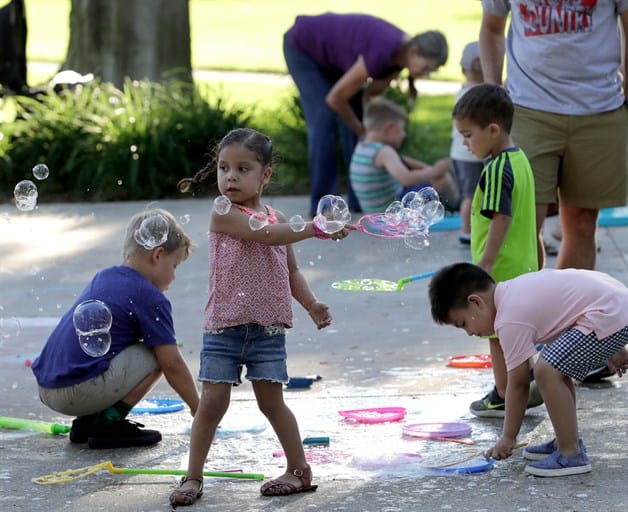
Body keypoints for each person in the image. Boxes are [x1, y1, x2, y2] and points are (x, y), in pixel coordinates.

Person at [169, 128, 351, 507]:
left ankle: (299, 471)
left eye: (242, 168)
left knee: (272, 403)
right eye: (223, 168)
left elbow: (291, 271)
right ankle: (193, 476)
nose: (230, 176)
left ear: (265, 174)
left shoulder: (276, 216)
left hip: (267, 329)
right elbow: (267, 236)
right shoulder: (224, 212)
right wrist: (317, 228)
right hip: (224, 327)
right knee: (212, 405)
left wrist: (312, 305)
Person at [428, 262, 628, 476]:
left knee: (547, 370)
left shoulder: (509, 319)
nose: (468, 332)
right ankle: (566, 441)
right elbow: (572, 307)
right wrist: (613, 347)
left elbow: (519, 383)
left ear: (476, 302)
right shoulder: (512, 292)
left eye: (463, 323)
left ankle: (571, 453)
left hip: (608, 312)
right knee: (556, 368)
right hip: (614, 305)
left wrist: (508, 438)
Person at [31, 209, 200, 449]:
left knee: (118, 344)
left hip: (48, 388)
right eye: (174, 266)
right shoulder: (150, 297)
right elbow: (172, 364)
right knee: (160, 353)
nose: (173, 277)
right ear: (158, 255)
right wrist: (200, 409)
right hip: (76, 392)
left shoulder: (105, 276)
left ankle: (87, 423)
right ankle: (109, 425)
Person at [479, 0, 628, 271]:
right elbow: (491, 28)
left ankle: (567, 310)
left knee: (582, 222)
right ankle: (528, 309)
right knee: (522, 222)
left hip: (599, 108)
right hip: (527, 107)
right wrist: (493, 95)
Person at [283, 12, 449, 217]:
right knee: (323, 118)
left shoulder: (398, 61)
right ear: (414, 52)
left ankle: (358, 200)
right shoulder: (383, 50)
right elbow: (335, 99)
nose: (426, 74)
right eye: (426, 68)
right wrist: (360, 129)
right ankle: (323, 205)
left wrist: (368, 129)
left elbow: (368, 97)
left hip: (335, 61)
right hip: (304, 47)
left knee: (355, 116)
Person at [451, 83, 541, 418]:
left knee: (496, 336)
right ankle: (522, 384)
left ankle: (505, 395)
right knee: (514, 336)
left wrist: (484, 264)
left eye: (468, 135)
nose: (465, 143)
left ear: (493, 129)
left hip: (498, 273)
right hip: (521, 267)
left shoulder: (496, 170)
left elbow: (501, 217)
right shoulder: (520, 161)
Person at [349, 96, 458, 213]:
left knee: (424, 175)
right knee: (441, 179)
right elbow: (406, 178)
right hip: (393, 211)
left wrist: (427, 169)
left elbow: (402, 160)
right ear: (389, 128)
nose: (404, 134)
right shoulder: (384, 151)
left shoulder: (363, 146)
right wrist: (435, 171)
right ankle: (455, 210)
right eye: (402, 129)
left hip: (374, 211)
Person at [449, 41, 484, 246]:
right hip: (471, 154)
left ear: (463, 70)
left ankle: (469, 230)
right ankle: (468, 232)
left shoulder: (461, 92)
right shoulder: (481, 96)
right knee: (472, 197)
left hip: (460, 154)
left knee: (469, 195)